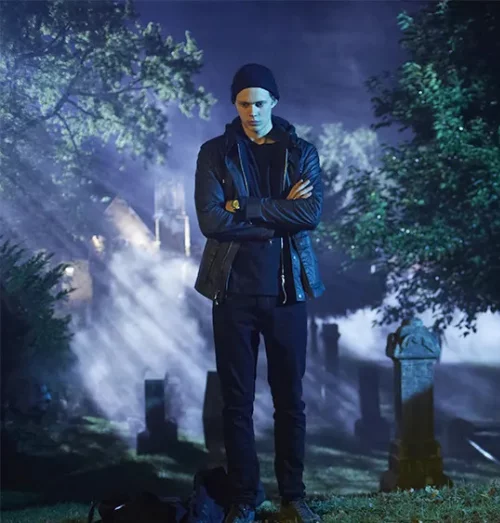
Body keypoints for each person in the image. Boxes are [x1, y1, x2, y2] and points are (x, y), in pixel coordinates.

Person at [193, 63, 325, 523]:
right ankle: (244, 500)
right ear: (235, 105)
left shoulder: (301, 152)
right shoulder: (215, 152)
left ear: (274, 103)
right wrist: (277, 216)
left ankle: (293, 497)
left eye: (260, 103)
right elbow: (211, 220)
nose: (252, 112)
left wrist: (246, 207)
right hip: (232, 292)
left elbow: (310, 214)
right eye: (244, 103)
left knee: (290, 401)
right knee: (237, 404)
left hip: (288, 293)